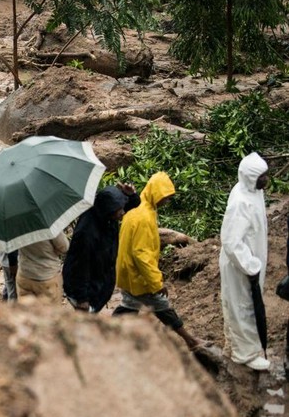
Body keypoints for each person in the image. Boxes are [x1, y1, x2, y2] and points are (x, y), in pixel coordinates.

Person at [113, 172, 209, 352]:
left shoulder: (138, 208)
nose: (166, 201)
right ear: (155, 193)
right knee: (162, 306)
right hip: (138, 275)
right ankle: (191, 341)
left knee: (128, 306)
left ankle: (105, 335)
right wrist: (156, 282)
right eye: (165, 197)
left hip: (128, 271)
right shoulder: (144, 217)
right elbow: (141, 254)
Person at [220, 153, 270, 370]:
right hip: (240, 264)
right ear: (251, 177)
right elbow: (230, 241)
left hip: (249, 261)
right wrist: (250, 265)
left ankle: (232, 345)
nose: (266, 180)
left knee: (238, 305)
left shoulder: (252, 192)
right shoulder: (241, 202)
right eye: (262, 176)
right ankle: (246, 354)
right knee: (244, 307)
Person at [63, 183, 140, 313]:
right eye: (119, 210)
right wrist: (82, 299)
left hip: (99, 281)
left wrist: (129, 195)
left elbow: (132, 205)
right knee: (82, 326)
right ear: (109, 210)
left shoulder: (106, 215)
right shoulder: (86, 232)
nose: (122, 213)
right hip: (85, 290)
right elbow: (80, 266)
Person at [16, 231, 69, 300]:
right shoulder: (48, 226)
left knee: (26, 309)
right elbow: (64, 247)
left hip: (25, 274)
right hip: (47, 276)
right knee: (49, 310)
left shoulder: (18, 225)